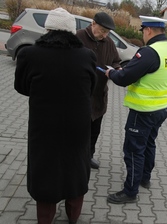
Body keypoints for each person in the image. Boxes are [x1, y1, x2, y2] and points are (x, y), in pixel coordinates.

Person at [14, 7, 97, 224]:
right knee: (76, 168)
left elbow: (22, 87)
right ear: (71, 31)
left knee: (45, 168)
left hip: (44, 125)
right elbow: (91, 88)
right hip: (77, 126)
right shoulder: (87, 56)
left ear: (47, 28)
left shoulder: (28, 54)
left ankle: (45, 218)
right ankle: (73, 216)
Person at [105, 15, 167, 204]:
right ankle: (145, 178)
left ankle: (130, 191)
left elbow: (125, 77)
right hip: (162, 108)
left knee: (133, 150)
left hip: (143, 110)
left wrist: (111, 73)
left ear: (148, 30)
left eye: (143, 32)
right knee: (149, 143)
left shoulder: (149, 52)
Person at [76, 11, 121, 169]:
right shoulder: (79, 37)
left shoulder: (108, 43)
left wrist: (118, 69)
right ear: (92, 23)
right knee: (79, 131)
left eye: (107, 32)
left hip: (99, 95)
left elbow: (115, 60)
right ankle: (75, 158)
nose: (104, 35)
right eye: (102, 30)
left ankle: (88, 156)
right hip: (80, 96)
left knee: (94, 131)